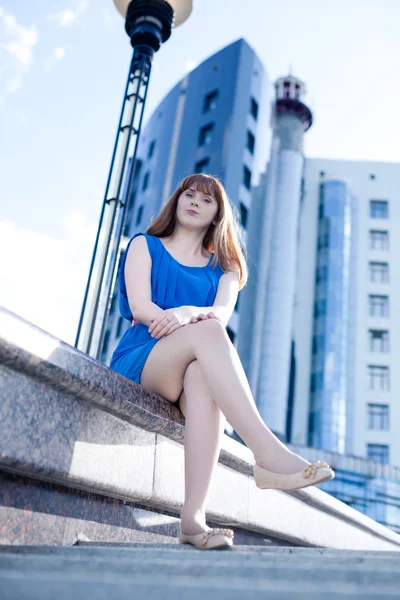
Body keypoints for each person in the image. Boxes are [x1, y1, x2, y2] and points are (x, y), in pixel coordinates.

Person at [110, 173, 335, 550]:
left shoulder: (226, 268)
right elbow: (140, 307)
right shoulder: (144, 246)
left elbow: (221, 312)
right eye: (189, 194)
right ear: (177, 200)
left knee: (203, 375)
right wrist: (179, 319)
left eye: (206, 199)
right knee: (210, 334)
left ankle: (193, 520)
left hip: (193, 359)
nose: (195, 201)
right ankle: (265, 453)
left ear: (218, 214)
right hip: (146, 358)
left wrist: (185, 311)